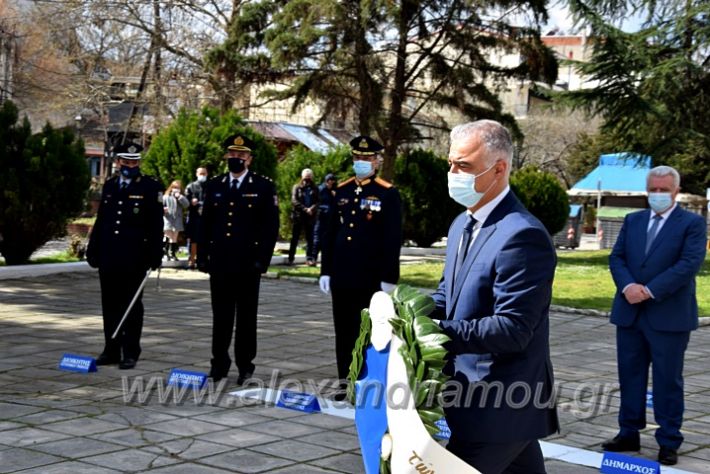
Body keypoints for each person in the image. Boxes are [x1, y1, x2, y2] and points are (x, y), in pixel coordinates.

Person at [429, 120, 558, 472]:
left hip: (500, 402)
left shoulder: (522, 235)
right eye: (451, 163)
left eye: (464, 166)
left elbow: (513, 329)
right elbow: (448, 295)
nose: (452, 173)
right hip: (473, 395)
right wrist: (407, 313)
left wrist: (433, 332)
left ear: (499, 168)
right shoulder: (462, 224)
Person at [602, 166, 707, 466]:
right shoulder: (633, 220)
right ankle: (628, 432)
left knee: (667, 380)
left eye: (663, 190)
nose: (657, 195)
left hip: (668, 316)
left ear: (675, 191)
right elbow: (617, 257)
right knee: (630, 376)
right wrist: (628, 286)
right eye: (653, 189)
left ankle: (669, 439)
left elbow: (688, 264)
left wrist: (648, 290)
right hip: (630, 313)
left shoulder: (692, 224)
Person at [319, 135, 402, 399]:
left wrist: (389, 277)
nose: (361, 162)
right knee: (343, 332)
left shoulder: (387, 194)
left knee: (368, 333)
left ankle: (367, 385)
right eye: (357, 158)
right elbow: (330, 234)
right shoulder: (341, 191)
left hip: (370, 278)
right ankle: (347, 383)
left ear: (377, 161)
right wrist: (325, 270)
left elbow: (392, 239)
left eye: (367, 158)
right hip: (342, 276)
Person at [197, 134, 279, 384]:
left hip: (247, 264)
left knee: (246, 318)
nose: (236, 159)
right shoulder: (215, 185)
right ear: (226, 157)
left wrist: (261, 260)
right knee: (220, 317)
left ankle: (245, 365)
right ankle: (218, 363)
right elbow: (205, 225)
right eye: (232, 155)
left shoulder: (263, 187)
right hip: (220, 263)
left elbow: (270, 227)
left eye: (241, 156)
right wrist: (202, 256)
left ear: (250, 159)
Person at [86, 142, 163, 370]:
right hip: (110, 255)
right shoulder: (110, 186)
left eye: (135, 162)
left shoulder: (150, 187)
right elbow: (102, 221)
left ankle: (130, 351)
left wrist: (155, 254)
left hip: (135, 257)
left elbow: (155, 224)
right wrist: (94, 248)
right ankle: (111, 349)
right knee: (109, 304)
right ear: (118, 162)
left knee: (131, 305)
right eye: (126, 162)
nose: (131, 165)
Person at [288, 168, 319, 266]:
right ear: (302, 177)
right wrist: (305, 209)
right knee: (295, 238)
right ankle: (290, 258)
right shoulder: (296, 187)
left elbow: (318, 201)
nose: (307, 179)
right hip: (298, 216)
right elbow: (294, 201)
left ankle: (309, 259)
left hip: (310, 217)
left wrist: (312, 209)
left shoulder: (315, 188)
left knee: (310, 239)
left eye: (309, 177)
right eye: (306, 177)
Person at [185, 167, 208, 269]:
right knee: (193, 240)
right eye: (200, 173)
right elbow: (185, 203)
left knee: (205, 239)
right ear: (196, 174)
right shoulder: (191, 186)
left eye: (204, 173)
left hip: (207, 217)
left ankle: (202, 261)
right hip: (194, 217)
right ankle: (192, 260)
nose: (202, 175)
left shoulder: (210, 186)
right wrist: (191, 202)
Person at [162, 180, 189, 261]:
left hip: (177, 220)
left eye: (177, 188)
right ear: (171, 187)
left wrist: (179, 197)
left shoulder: (181, 197)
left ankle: (172, 253)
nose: (175, 189)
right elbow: (160, 206)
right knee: (169, 236)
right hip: (168, 219)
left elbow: (186, 205)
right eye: (174, 187)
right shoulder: (166, 196)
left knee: (174, 238)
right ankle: (167, 253)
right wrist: (163, 209)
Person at [313, 173, 337, 264]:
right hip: (321, 217)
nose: (331, 183)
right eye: (329, 181)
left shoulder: (333, 190)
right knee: (317, 239)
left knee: (327, 240)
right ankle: (313, 258)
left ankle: (325, 260)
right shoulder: (321, 189)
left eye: (332, 181)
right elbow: (318, 202)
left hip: (330, 219)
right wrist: (326, 209)